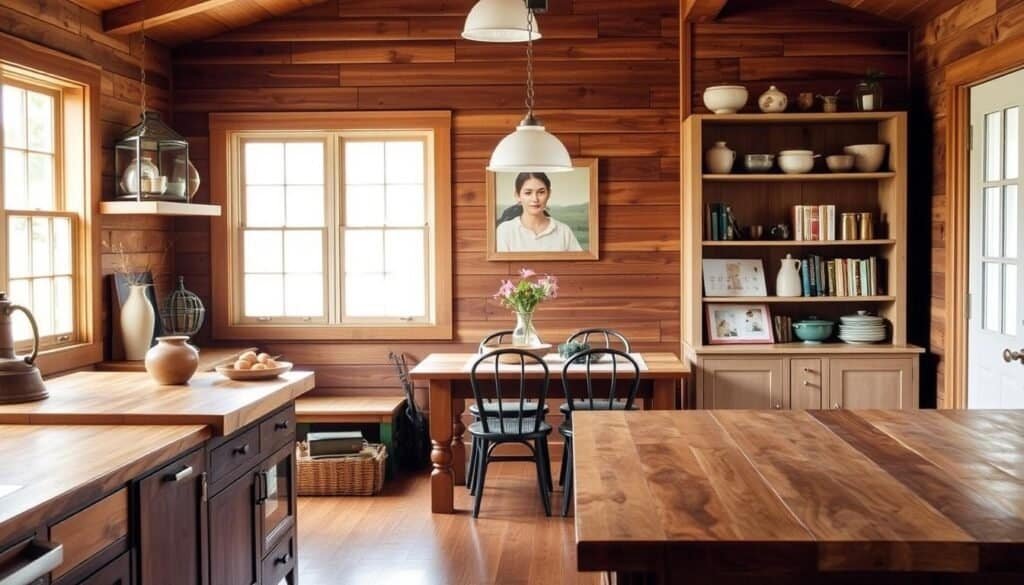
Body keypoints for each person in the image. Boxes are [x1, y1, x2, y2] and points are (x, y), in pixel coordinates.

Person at [495, 172, 583, 253]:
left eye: (541, 192)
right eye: (528, 193)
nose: (535, 199)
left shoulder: (563, 231)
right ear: (517, 196)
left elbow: (579, 267)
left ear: (549, 194)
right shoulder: (505, 231)